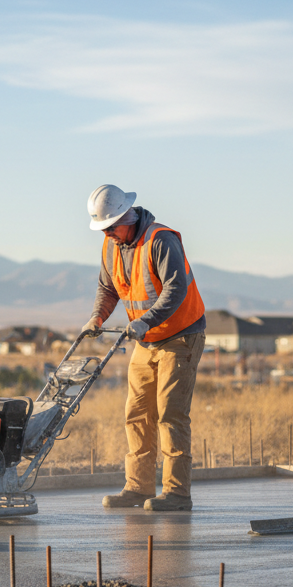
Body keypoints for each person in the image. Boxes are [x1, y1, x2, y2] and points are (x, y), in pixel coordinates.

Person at [84, 185, 206, 511]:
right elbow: (106, 287)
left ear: (126, 215)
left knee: (170, 415)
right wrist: (97, 318)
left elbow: (176, 287)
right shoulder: (111, 246)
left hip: (180, 336)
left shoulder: (160, 240)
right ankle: (137, 488)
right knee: (137, 414)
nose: (107, 234)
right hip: (146, 339)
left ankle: (178, 494)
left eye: (110, 227)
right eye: (103, 229)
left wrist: (146, 320)